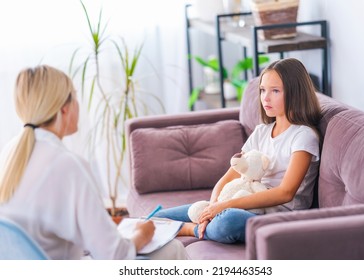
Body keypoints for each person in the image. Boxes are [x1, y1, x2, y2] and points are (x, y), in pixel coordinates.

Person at [0, 65, 187, 260]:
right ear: (64, 109)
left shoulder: (10, 154)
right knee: (172, 249)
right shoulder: (68, 165)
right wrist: (143, 234)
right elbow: (115, 256)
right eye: (75, 96)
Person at [155, 58, 322, 244]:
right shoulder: (262, 132)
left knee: (228, 222)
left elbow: (285, 193)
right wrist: (212, 208)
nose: (265, 98)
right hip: (242, 202)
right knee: (156, 219)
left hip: (275, 216)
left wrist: (225, 207)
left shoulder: (303, 136)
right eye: (263, 90)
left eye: (275, 91)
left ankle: (191, 230)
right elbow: (229, 177)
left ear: (295, 93)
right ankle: (205, 225)